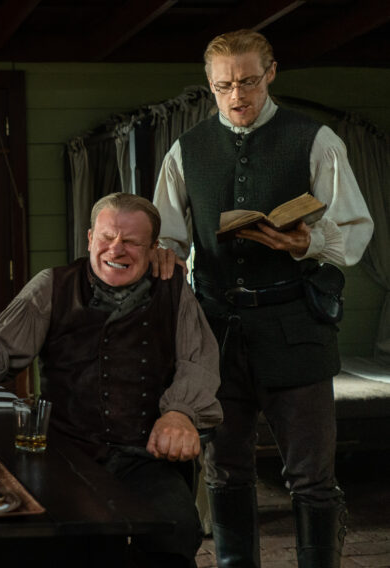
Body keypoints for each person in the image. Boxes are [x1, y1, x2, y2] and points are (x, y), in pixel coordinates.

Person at [151, 30, 374, 567]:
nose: (237, 96)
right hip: (216, 332)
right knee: (226, 470)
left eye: (248, 81)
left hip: (297, 327)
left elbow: (355, 229)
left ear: (271, 72)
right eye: (223, 86)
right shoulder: (187, 149)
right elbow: (171, 235)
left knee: (311, 478)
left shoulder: (317, 140)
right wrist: (164, 254)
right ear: (209, 85)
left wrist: (308, 241)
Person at [0, 193, 222, 568]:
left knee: (175, 533)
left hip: (145, 457)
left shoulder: (174, 288)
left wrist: (180, 413)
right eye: (108, 237)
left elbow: (200, 360)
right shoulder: (52, 286)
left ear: (153, 248)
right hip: (67, 452)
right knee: (69, 540)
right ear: (90, 238)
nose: (117, 249)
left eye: (131, 242)